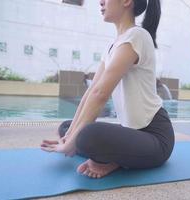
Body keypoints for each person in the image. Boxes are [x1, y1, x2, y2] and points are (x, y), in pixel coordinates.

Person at [41, 0, 174, 179]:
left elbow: (100, 94)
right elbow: (91, 91)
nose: (101, 1)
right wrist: (70, 136)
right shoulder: (113, 46)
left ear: (127, 1)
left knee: (86, 136)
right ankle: (114, 157)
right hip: (132, 133)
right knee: (67, 127)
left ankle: (113, 159)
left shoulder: (137, 35)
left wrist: (72, 142)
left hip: (155, 138)